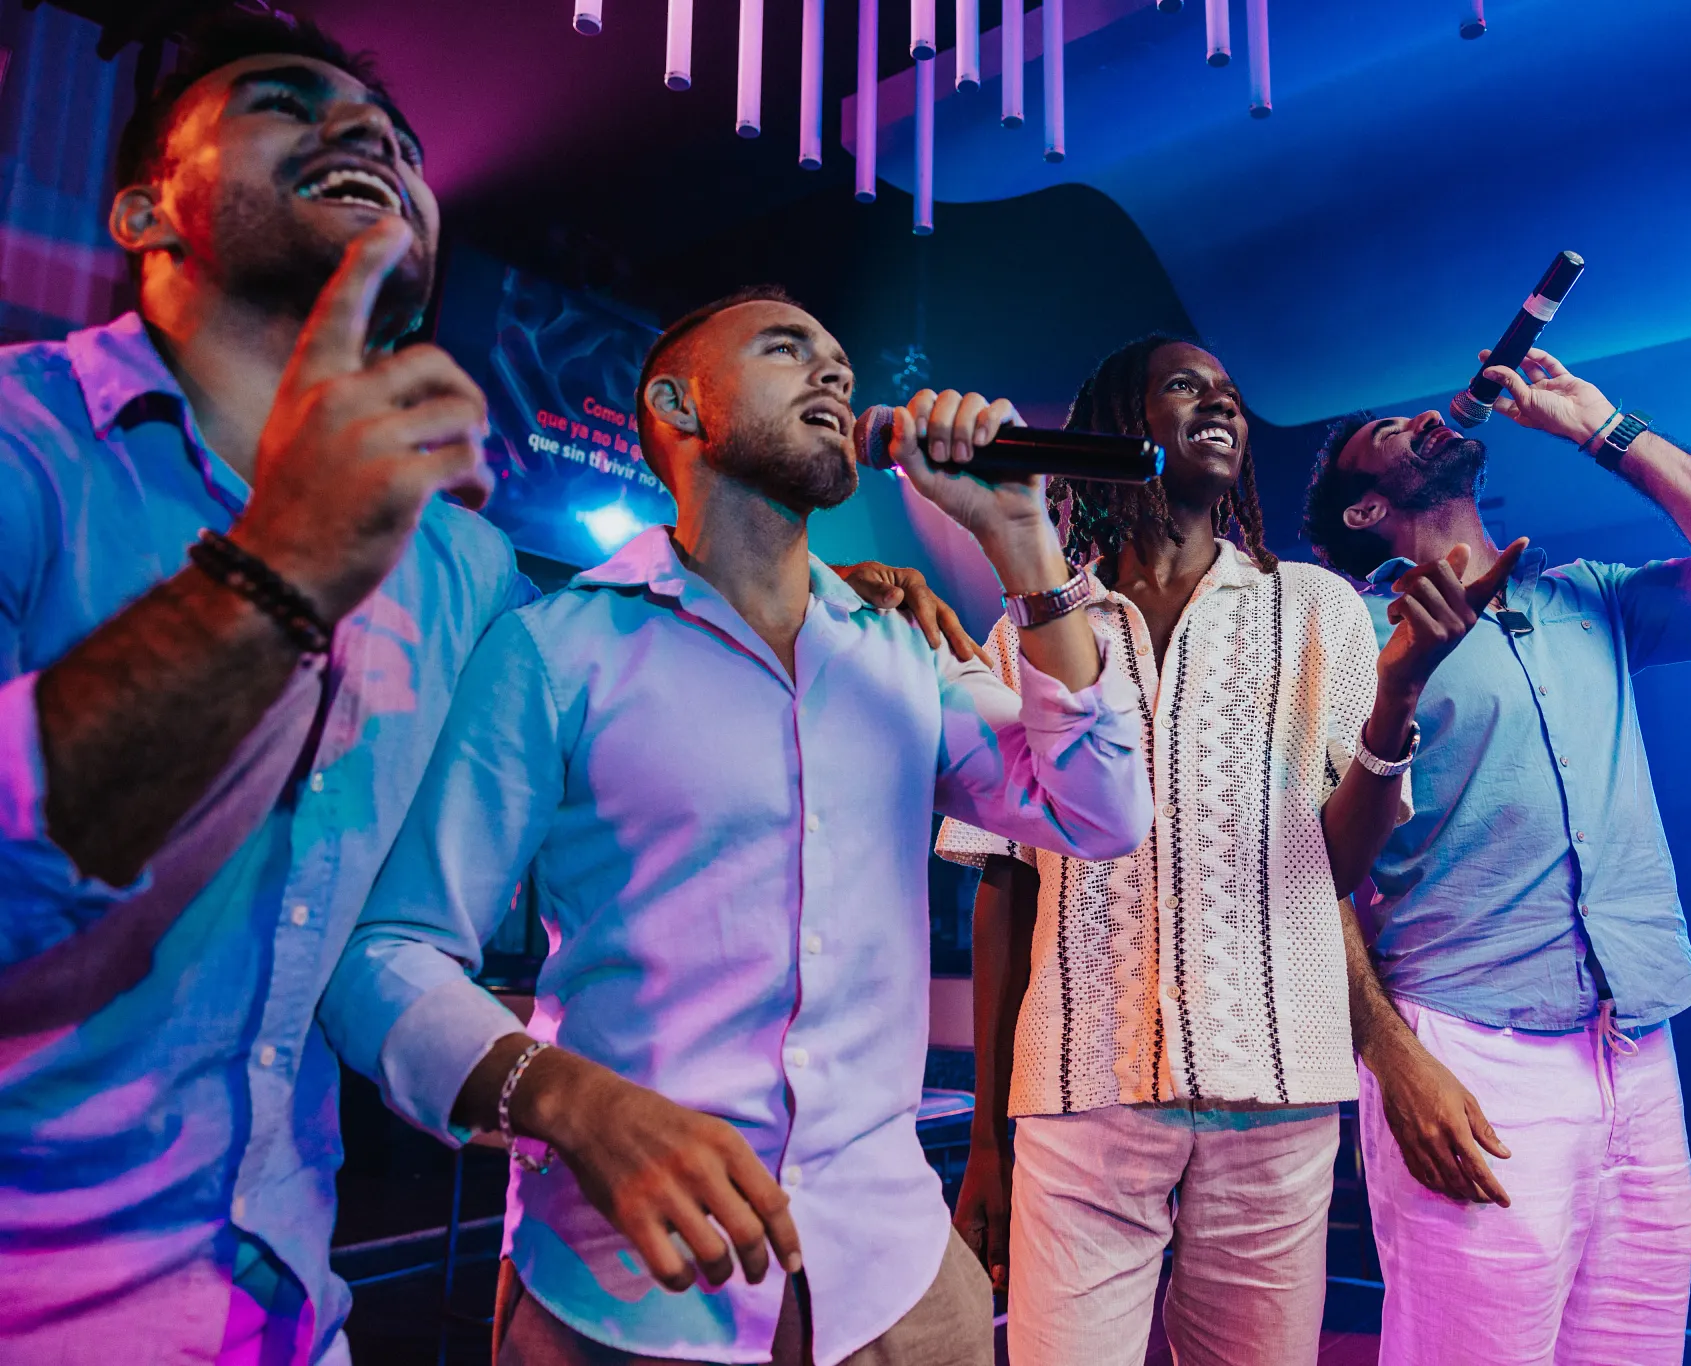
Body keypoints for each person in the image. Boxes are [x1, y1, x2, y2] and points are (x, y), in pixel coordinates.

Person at [0, 19, 978, 1365]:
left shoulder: (456, 564)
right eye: (286, 104)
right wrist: (278, 566)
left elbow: (375, 933)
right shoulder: (23, 451)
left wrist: (818, 593)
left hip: (279, 1298)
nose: (370, 136)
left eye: (396, 135)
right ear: (140, 206)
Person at [320, 287, 1155, 1366]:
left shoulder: (901, 655)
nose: (834, 375)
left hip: (901, 1282)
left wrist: (1023, 545)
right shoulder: (554, 651)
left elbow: (1098, 810)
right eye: (785, 349)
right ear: (676, 402)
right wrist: (564, 1098)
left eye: (841, 364)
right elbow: (390, 953)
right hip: (627, 1293)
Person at [937, 335, 1522, 1366]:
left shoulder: (1315, 609)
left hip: (1276, 1103)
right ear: (1121, 428)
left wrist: (1394, 698)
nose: (1218, 405)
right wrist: (986, 1139)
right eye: (1181, 385)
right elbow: (1004, 889)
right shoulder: (1027, 632)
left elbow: (1334, 870)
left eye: (1229, 395)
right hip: (1080, 1099)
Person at [1300, 345, 1691, 1365]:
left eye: (1420, 412)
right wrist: (1389, 1056)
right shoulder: (1347, 635)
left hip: (1634, 1045)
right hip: (1467, 1047)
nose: (1420, 419)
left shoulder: (1589, 596)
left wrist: (1602, 428)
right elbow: (1303, 869)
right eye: (1385, 433)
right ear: (1363, 511)